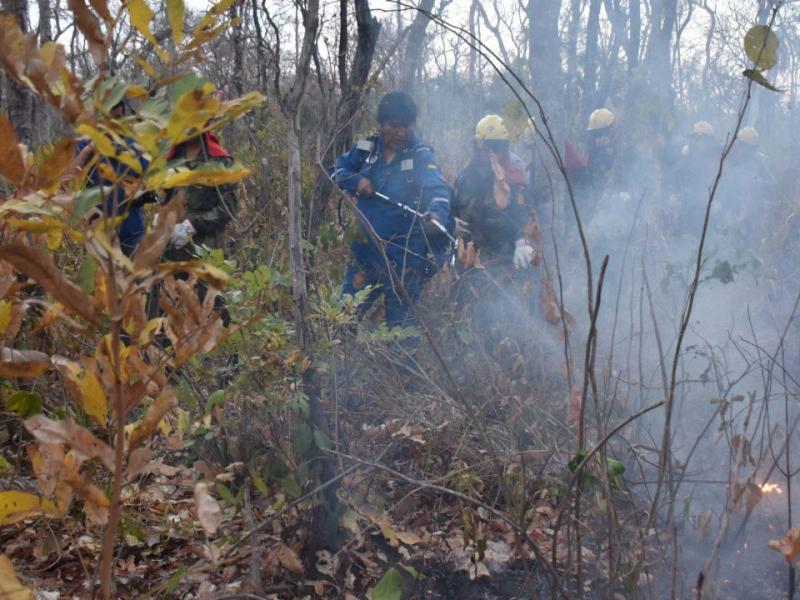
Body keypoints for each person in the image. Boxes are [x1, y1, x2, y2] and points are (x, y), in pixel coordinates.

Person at [334, 91, 451, 329]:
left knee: (401, 331)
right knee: (343, 320)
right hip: (364, 255)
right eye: (394, 126)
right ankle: (339, 365)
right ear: (381, 125)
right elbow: (336, 170)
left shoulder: (420, 154)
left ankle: (400, 366)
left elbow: (439, 189)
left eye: (406, 127)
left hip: (403, 258)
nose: (401, 133)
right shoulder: (367, 147)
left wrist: (436, 214)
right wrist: (357, 182)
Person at [158, 129, 238, 326]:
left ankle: (229, 349)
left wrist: (193, 225)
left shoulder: (218, 160)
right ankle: (166, 349)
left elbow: (228, 208)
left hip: (206, 246)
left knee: (211, 300)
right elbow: (167, 198)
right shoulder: (173, 159)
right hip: (174, 244)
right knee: (166, 297)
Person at [73, 99, 153, 256]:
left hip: (131, 230)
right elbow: (69, 176)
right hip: (97, 231)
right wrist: (89, 150)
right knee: (99, 280)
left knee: (131, 278)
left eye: (118, 117)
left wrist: (144, 192)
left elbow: (150, 178)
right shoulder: (86, 142)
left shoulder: (134, 143)